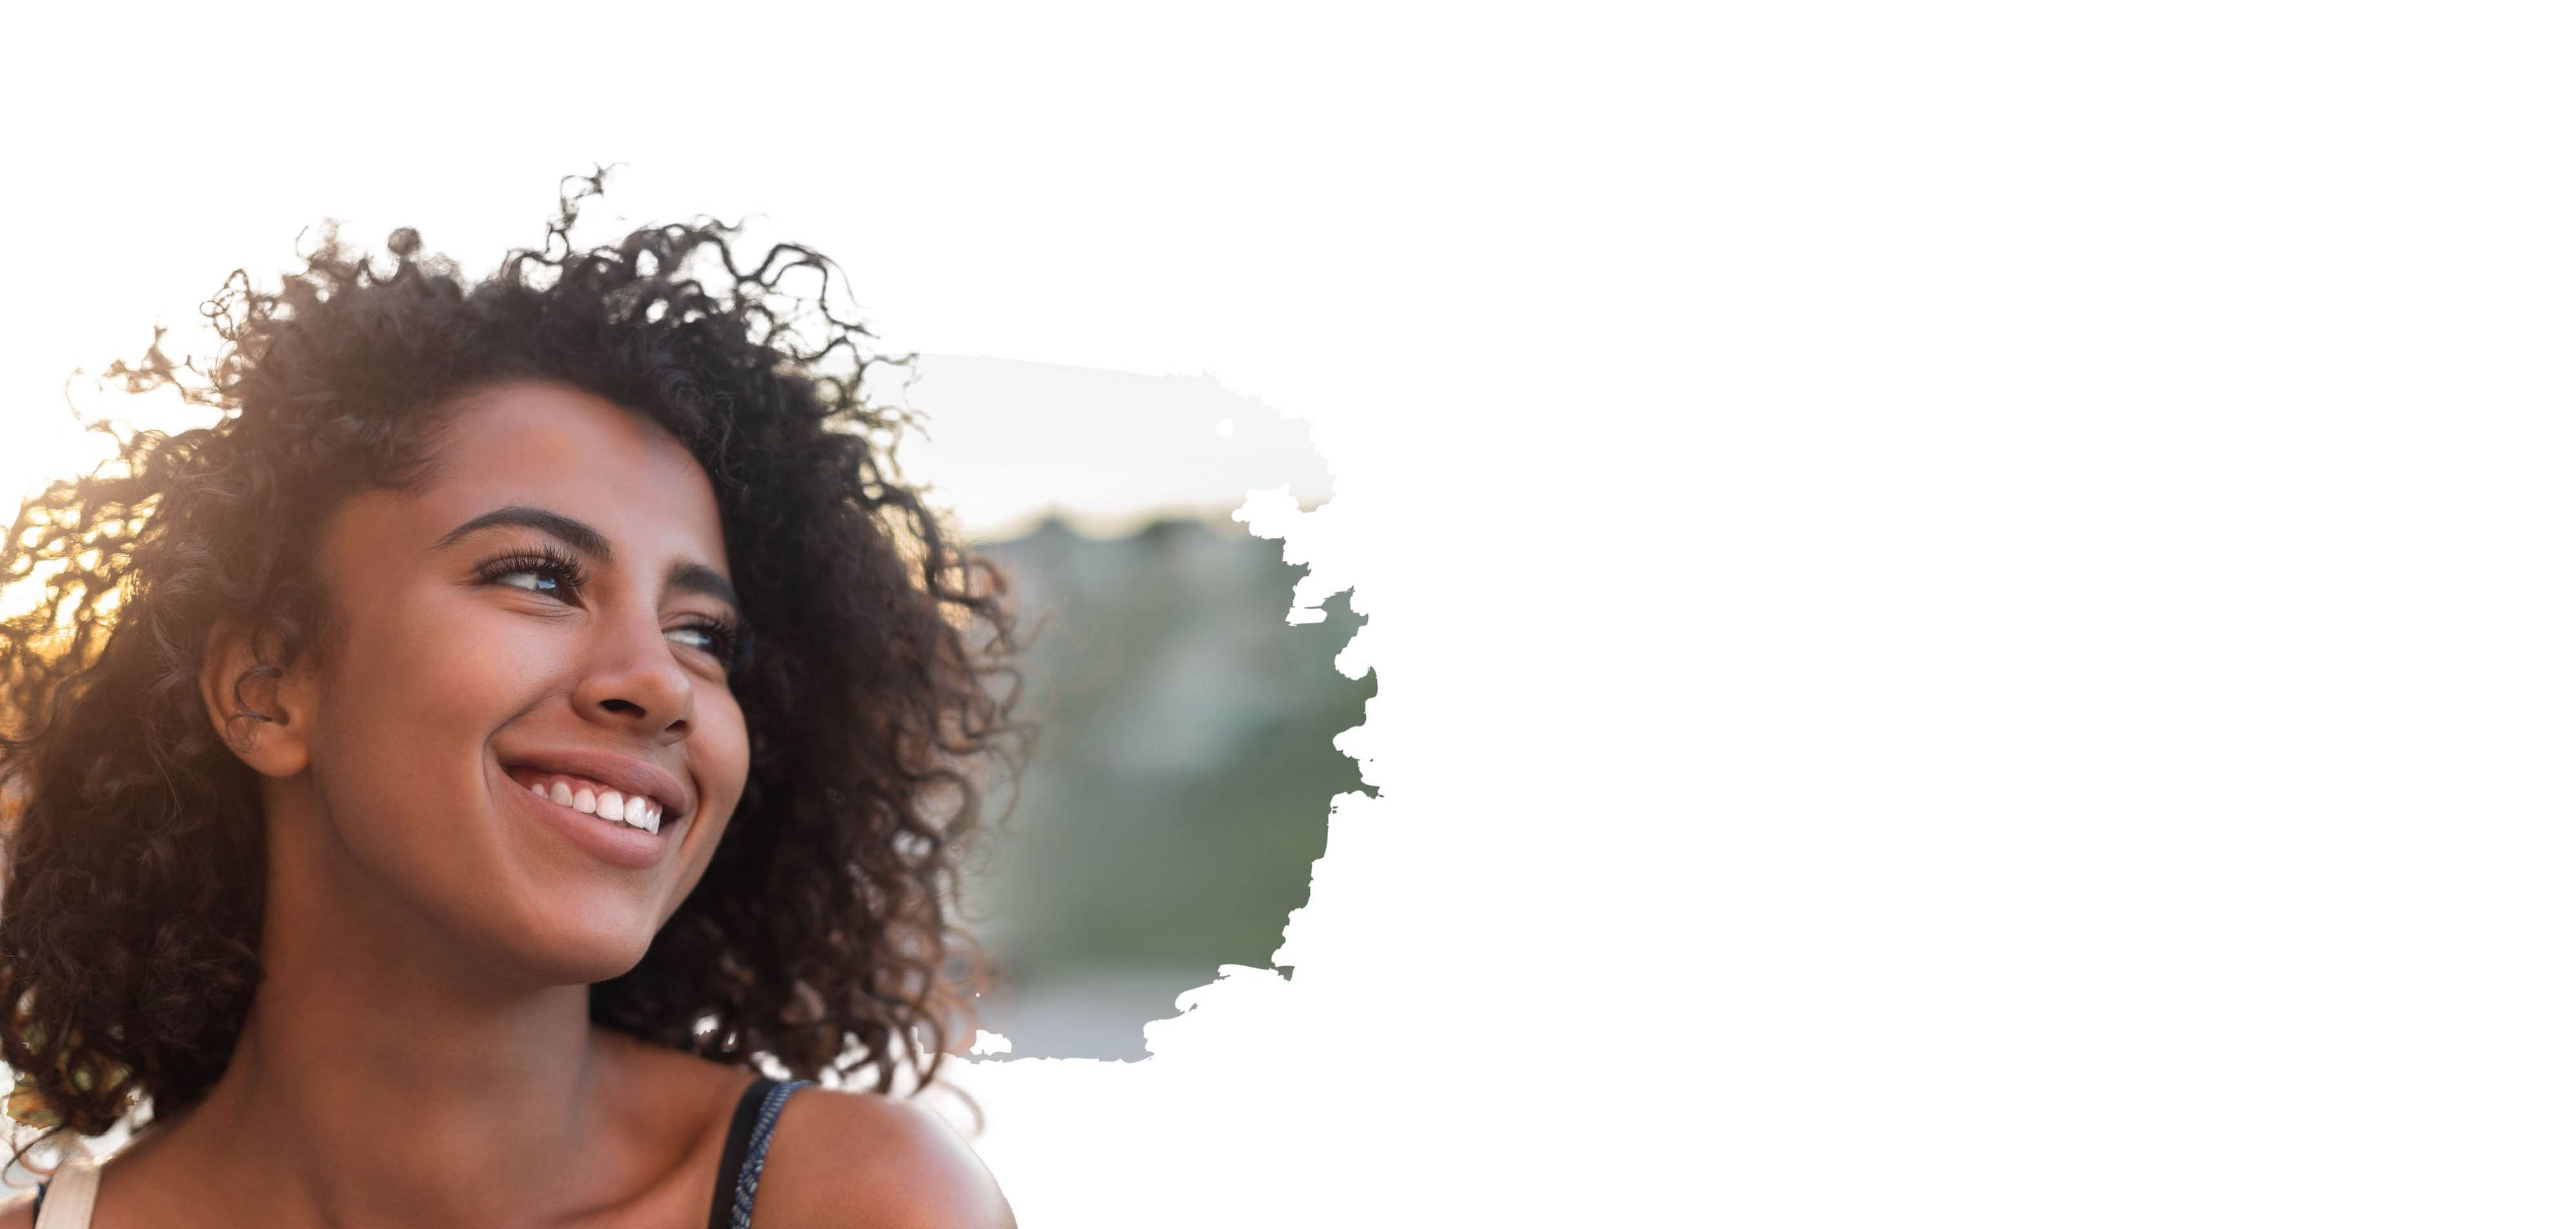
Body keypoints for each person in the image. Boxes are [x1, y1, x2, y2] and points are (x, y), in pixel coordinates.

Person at [0, 173, 1022, 1228]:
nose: (662, 683)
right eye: (538, 577)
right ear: (267, 691)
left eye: (703, 635)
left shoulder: (855, 1204)